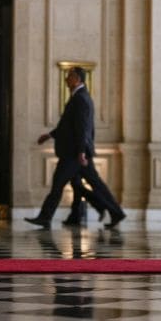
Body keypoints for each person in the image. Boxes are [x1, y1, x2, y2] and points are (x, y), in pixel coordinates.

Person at [25, 67, 125, 229]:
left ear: (77, 79)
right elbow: (68, 126)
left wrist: (81, 152)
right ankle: (115, 212)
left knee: (58, 185)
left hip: (74, 154)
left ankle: (45, 217)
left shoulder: (81, 99)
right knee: (91, 185)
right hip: (76, 152)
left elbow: (82, 128)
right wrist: (50, 135)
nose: (66, 79)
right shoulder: (78, 97)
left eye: (69, 76)